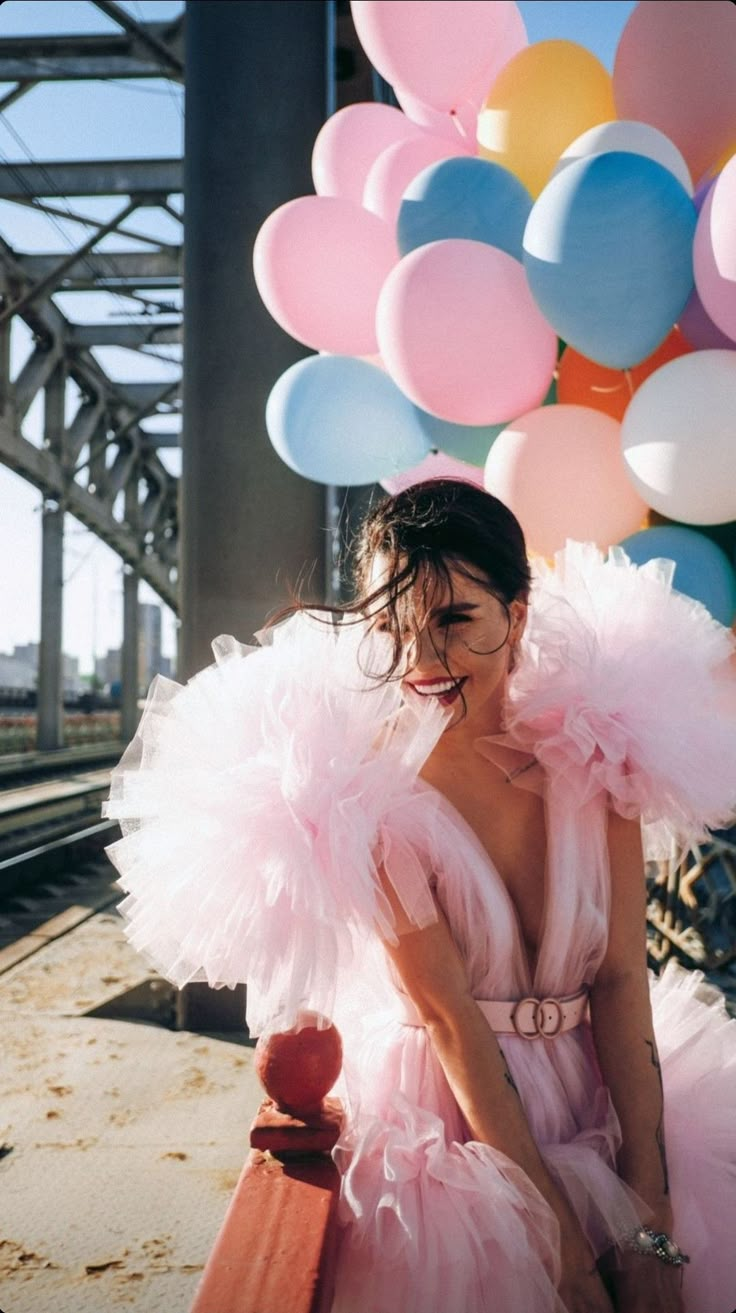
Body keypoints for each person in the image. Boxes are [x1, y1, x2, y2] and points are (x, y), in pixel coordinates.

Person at [104, 480, 736, 1313]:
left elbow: (621, 978)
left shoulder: (597, 753)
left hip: (599, 1091)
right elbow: (449, 1019)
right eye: (394, 628)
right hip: (454, 1119)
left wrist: (648, 1210)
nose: (423, 662)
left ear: (517, 610)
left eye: (453, 620)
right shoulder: (371, 796)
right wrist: (560, 1243)